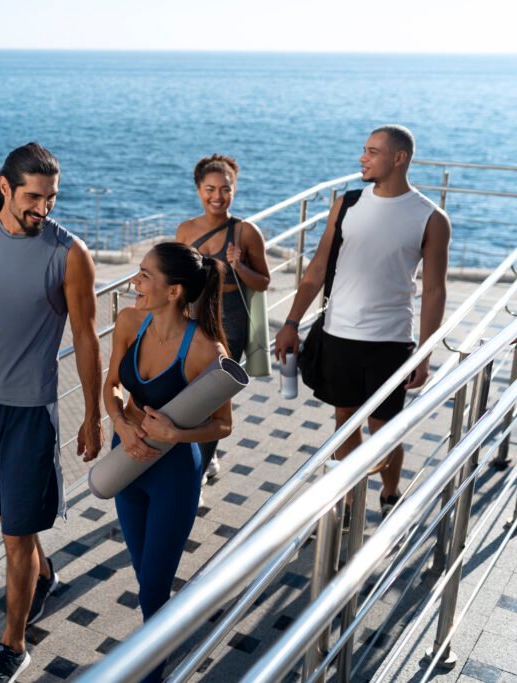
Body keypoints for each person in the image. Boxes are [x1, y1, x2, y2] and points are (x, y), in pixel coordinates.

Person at [0, 142, 104, 683]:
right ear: (6, 188)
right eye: (34, 197)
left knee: (14, 537)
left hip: (31, 412)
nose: (44, 208)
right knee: (14, 529)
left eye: (52, 198)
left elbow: (85, 337)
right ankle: (43, 571)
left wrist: (93, 416)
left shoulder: (68, 253)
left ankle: (13, 644)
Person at [274, 125, 451, 519]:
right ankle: (351, 500)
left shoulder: (430, 219)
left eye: (372, 151)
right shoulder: (347, 203)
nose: (362, 157)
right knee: (343, 418)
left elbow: (435, 292)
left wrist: (424, 352)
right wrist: (290, 322)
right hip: (338, 335)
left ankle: (389, 492)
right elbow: (317, 267)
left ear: (398, 158)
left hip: (390, 341)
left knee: (384, 428)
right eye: (364, 150)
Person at [103, 242, 233, 682]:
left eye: (144, 275)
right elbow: (112, 385)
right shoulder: (128, 321)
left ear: (174, 291)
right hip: (126, 464)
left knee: (154, 587)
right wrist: (120, 422)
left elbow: (222, 426)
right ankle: (161, 643)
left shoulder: (205, 350)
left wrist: (177, 434)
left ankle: (152, 674)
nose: (134, 283)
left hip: (173, 476)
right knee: (147, 582)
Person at [176, 154, 269, 483]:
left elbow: (264, 282)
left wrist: (240, 266)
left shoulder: (246, 232)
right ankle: (201, 456)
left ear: (235, 189)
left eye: (225, 189)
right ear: (198, 189)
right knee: (188, 393)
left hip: (230, 319)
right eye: (210, 189)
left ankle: (199, 470)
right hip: (193, 316)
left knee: (216, 396)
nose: (218, 196)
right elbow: (176, 280)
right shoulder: (185, 230)